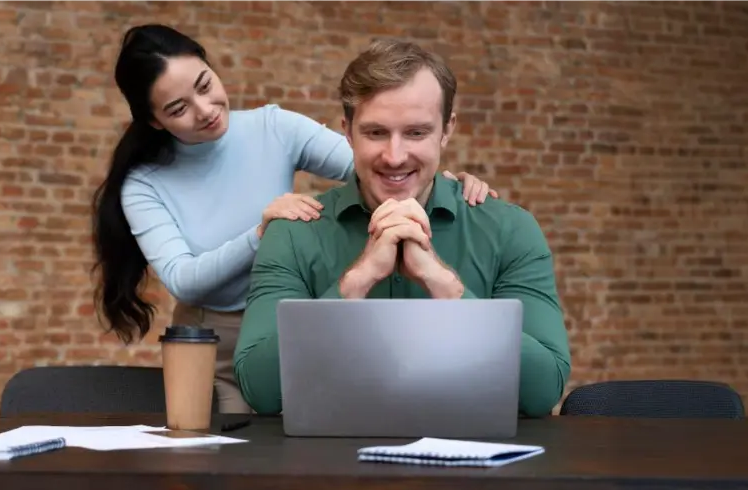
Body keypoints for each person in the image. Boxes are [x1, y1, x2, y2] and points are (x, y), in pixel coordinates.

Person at [90, 24, 502, 414]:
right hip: (218, 338)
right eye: (178, 108)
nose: (205, 109)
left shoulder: (274, 127)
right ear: (153, 120)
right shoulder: (143, 185)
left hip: (298, 316)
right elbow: (183, 278)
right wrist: (260, 233)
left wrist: (444, 180)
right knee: (241, 455)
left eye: (205, 85)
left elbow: (376, 167)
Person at [232, 38, 572, 418]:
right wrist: (357, 280)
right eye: (376, 132)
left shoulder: (510, 230)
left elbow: (542, 392)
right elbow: (260, 390)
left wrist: (444, 284)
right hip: (327, 466)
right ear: (347, 131)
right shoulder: (294, 232)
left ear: (447, 129)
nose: (395, 157)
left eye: (416, 133)